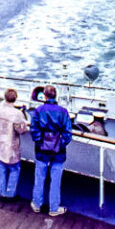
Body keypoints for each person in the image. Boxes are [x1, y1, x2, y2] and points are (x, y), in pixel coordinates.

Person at [30, 85, 73, 216]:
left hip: (42, 150)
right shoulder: (63, 112)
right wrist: (60, 143)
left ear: (45, 95)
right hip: (58, 151)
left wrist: (41, 141)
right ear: (56, 96)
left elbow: (34, 130)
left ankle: (37, 204)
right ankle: (53, 208)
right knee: (55, 180)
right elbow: (68, 133)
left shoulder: (38, 111)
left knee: (40, 177)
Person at [0, 88, 30, 201]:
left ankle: (2, 193)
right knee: (14, 169)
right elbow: (22, 130)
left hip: (0, 143)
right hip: (11, 146)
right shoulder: (17, 114)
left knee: (1, 168)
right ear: (15, 98)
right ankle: (10, 194)